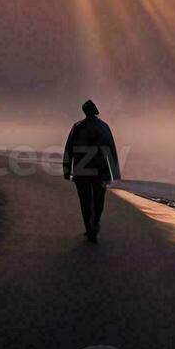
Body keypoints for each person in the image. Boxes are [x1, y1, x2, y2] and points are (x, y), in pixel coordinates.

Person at [63, 100, 121, 243]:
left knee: (85, 201)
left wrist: (66, 169)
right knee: (98, 200)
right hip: (100, 170)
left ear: (85, 111)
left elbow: (68, 150)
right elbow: (111, 150)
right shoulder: (104, 127)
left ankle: (89, 228)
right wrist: (114, 173)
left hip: (81, 171)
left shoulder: (77, 127)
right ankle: (94, 224)